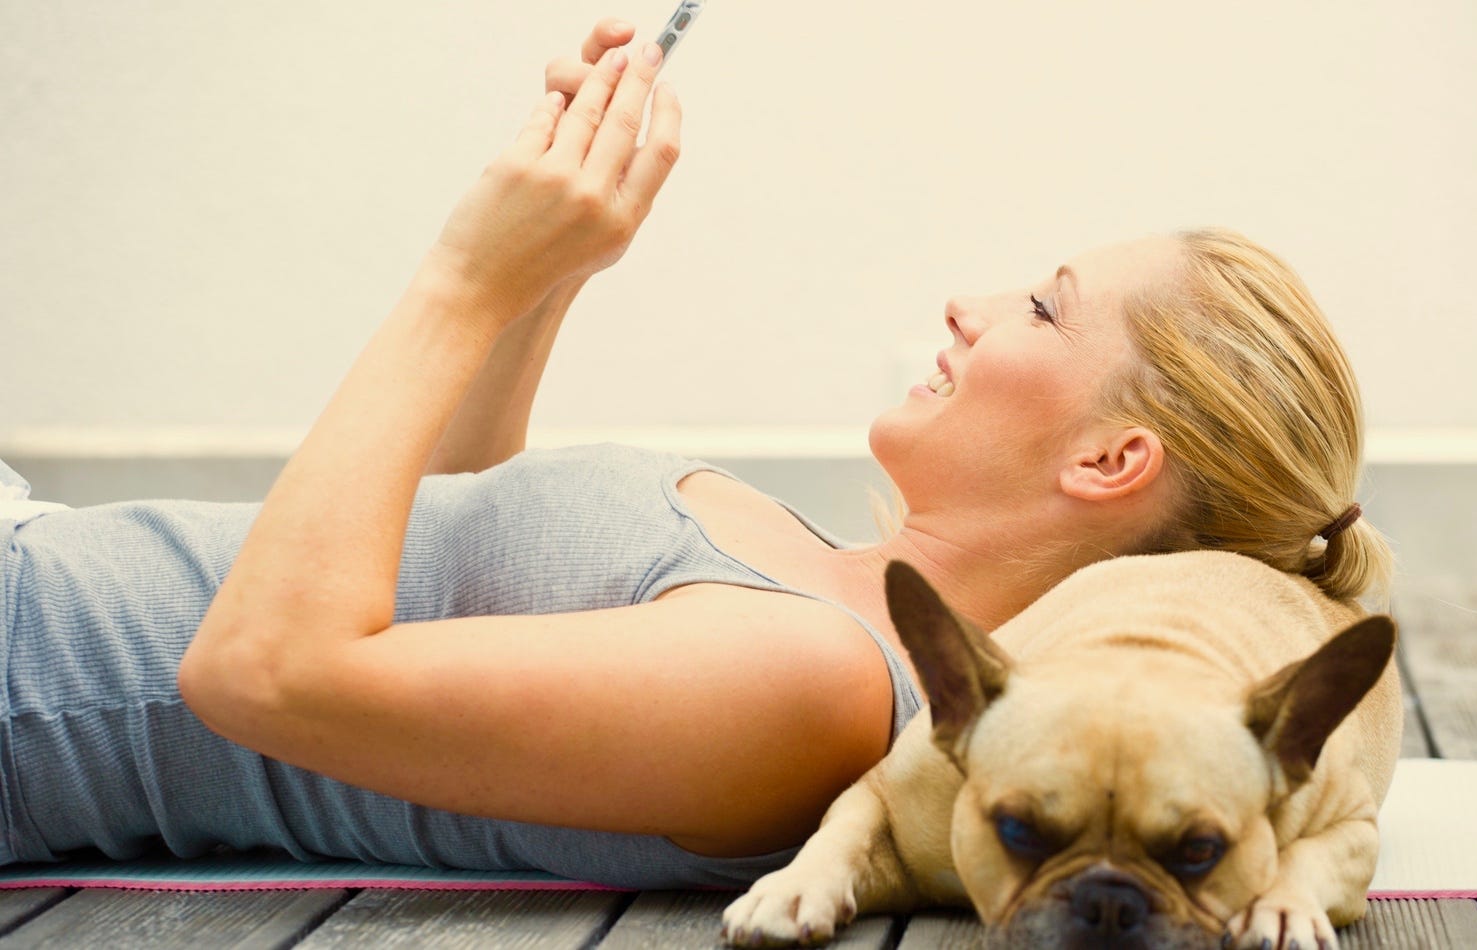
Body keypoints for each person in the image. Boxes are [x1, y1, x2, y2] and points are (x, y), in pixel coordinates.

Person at [0, 19, 1391, 889]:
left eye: (1041, 305)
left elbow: (260, 673)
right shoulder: (818, 582)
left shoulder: (812, 684)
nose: (972, 304)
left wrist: (465, 281)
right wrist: (552, 274)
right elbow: (448, 537)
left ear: (1109, 461)